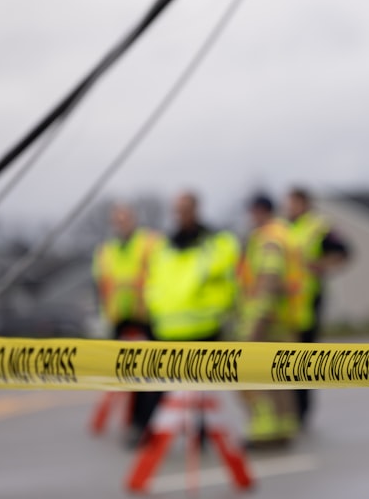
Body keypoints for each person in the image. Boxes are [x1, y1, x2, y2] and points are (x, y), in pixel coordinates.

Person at [139, 191, 240, 447]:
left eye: (185, 208)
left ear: (196, 209)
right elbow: (154, 282)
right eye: (177, 209)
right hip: (167, 328)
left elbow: (223, 275)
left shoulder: (217, 243)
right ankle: (151, 435)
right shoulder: (164, 246)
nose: (180, 215)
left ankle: (201, 435)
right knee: (157, 389)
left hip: (204, 327)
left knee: (203, 391)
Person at [236, 193, 307, 448]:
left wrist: (257, 320)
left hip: (269, 320)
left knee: (252, 376)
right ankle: (283, 428)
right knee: (281, 378)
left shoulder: (269, 238)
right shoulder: (285, 233)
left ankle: (264, 431)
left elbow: (269, 278)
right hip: (285, 319)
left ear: (259, 211)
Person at [92, 204, 160, 441]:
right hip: (118, 319)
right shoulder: (106, 250)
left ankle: (142, 424)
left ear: (134, 219)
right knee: (124, 374)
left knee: (148, 376)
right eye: (117, 220)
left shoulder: (150, 244)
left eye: (125, 219)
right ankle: (133, 423)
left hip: (147, 318)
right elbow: (101, 285)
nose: (121, 224)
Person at [286, 187, 350, 428]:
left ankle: (301, 413)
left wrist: (318, 265)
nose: (290, 208)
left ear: (304, 203)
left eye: (293, 203)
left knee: (303, 359)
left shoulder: (318, 226)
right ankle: (289, 411)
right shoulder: (284, 227)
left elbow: (343, 253)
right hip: (285, 305)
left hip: (308, 301)